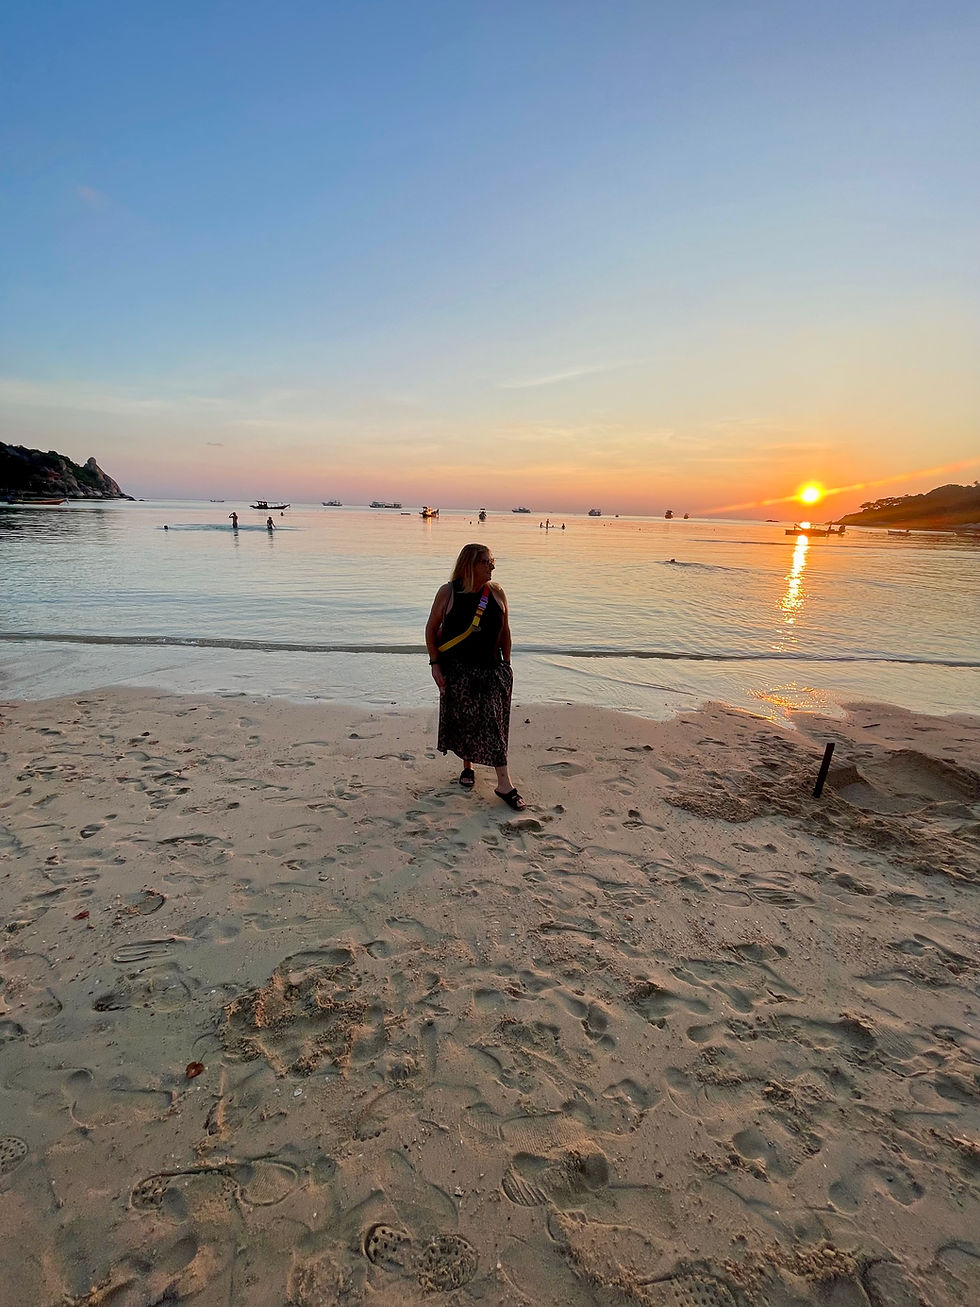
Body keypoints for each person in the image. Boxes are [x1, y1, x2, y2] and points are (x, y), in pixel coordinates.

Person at [425, 543, 525, 810]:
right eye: (486, 562)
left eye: (492, 561)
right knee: (463, 719)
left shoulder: (497, 593)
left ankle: (504, 783)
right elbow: (431, 628)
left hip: (492, 669)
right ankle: (467, 767)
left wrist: (508, 664)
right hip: (457, 670)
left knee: (493, 724)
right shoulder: (448, 593)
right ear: (470, 564)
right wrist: (435, 665)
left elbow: (505, 631)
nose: (492, 566)